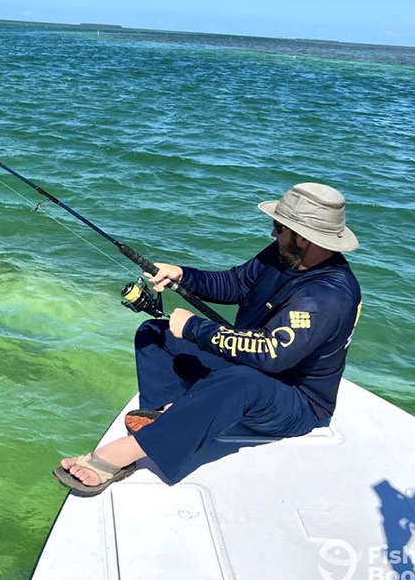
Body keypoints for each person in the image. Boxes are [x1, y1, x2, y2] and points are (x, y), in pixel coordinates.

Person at [53, 182, 362, 496]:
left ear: (302, 237)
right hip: (251, 367)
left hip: (296, 401)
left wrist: (194, 328)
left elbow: (271, 354)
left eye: (278, 228)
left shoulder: (328, 295)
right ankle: (161, 420)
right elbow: (236, 284)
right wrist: (181, 275)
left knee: (242, 380)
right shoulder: (285, 255)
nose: (272, 234)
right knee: (155, 334)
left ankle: (125, 452)